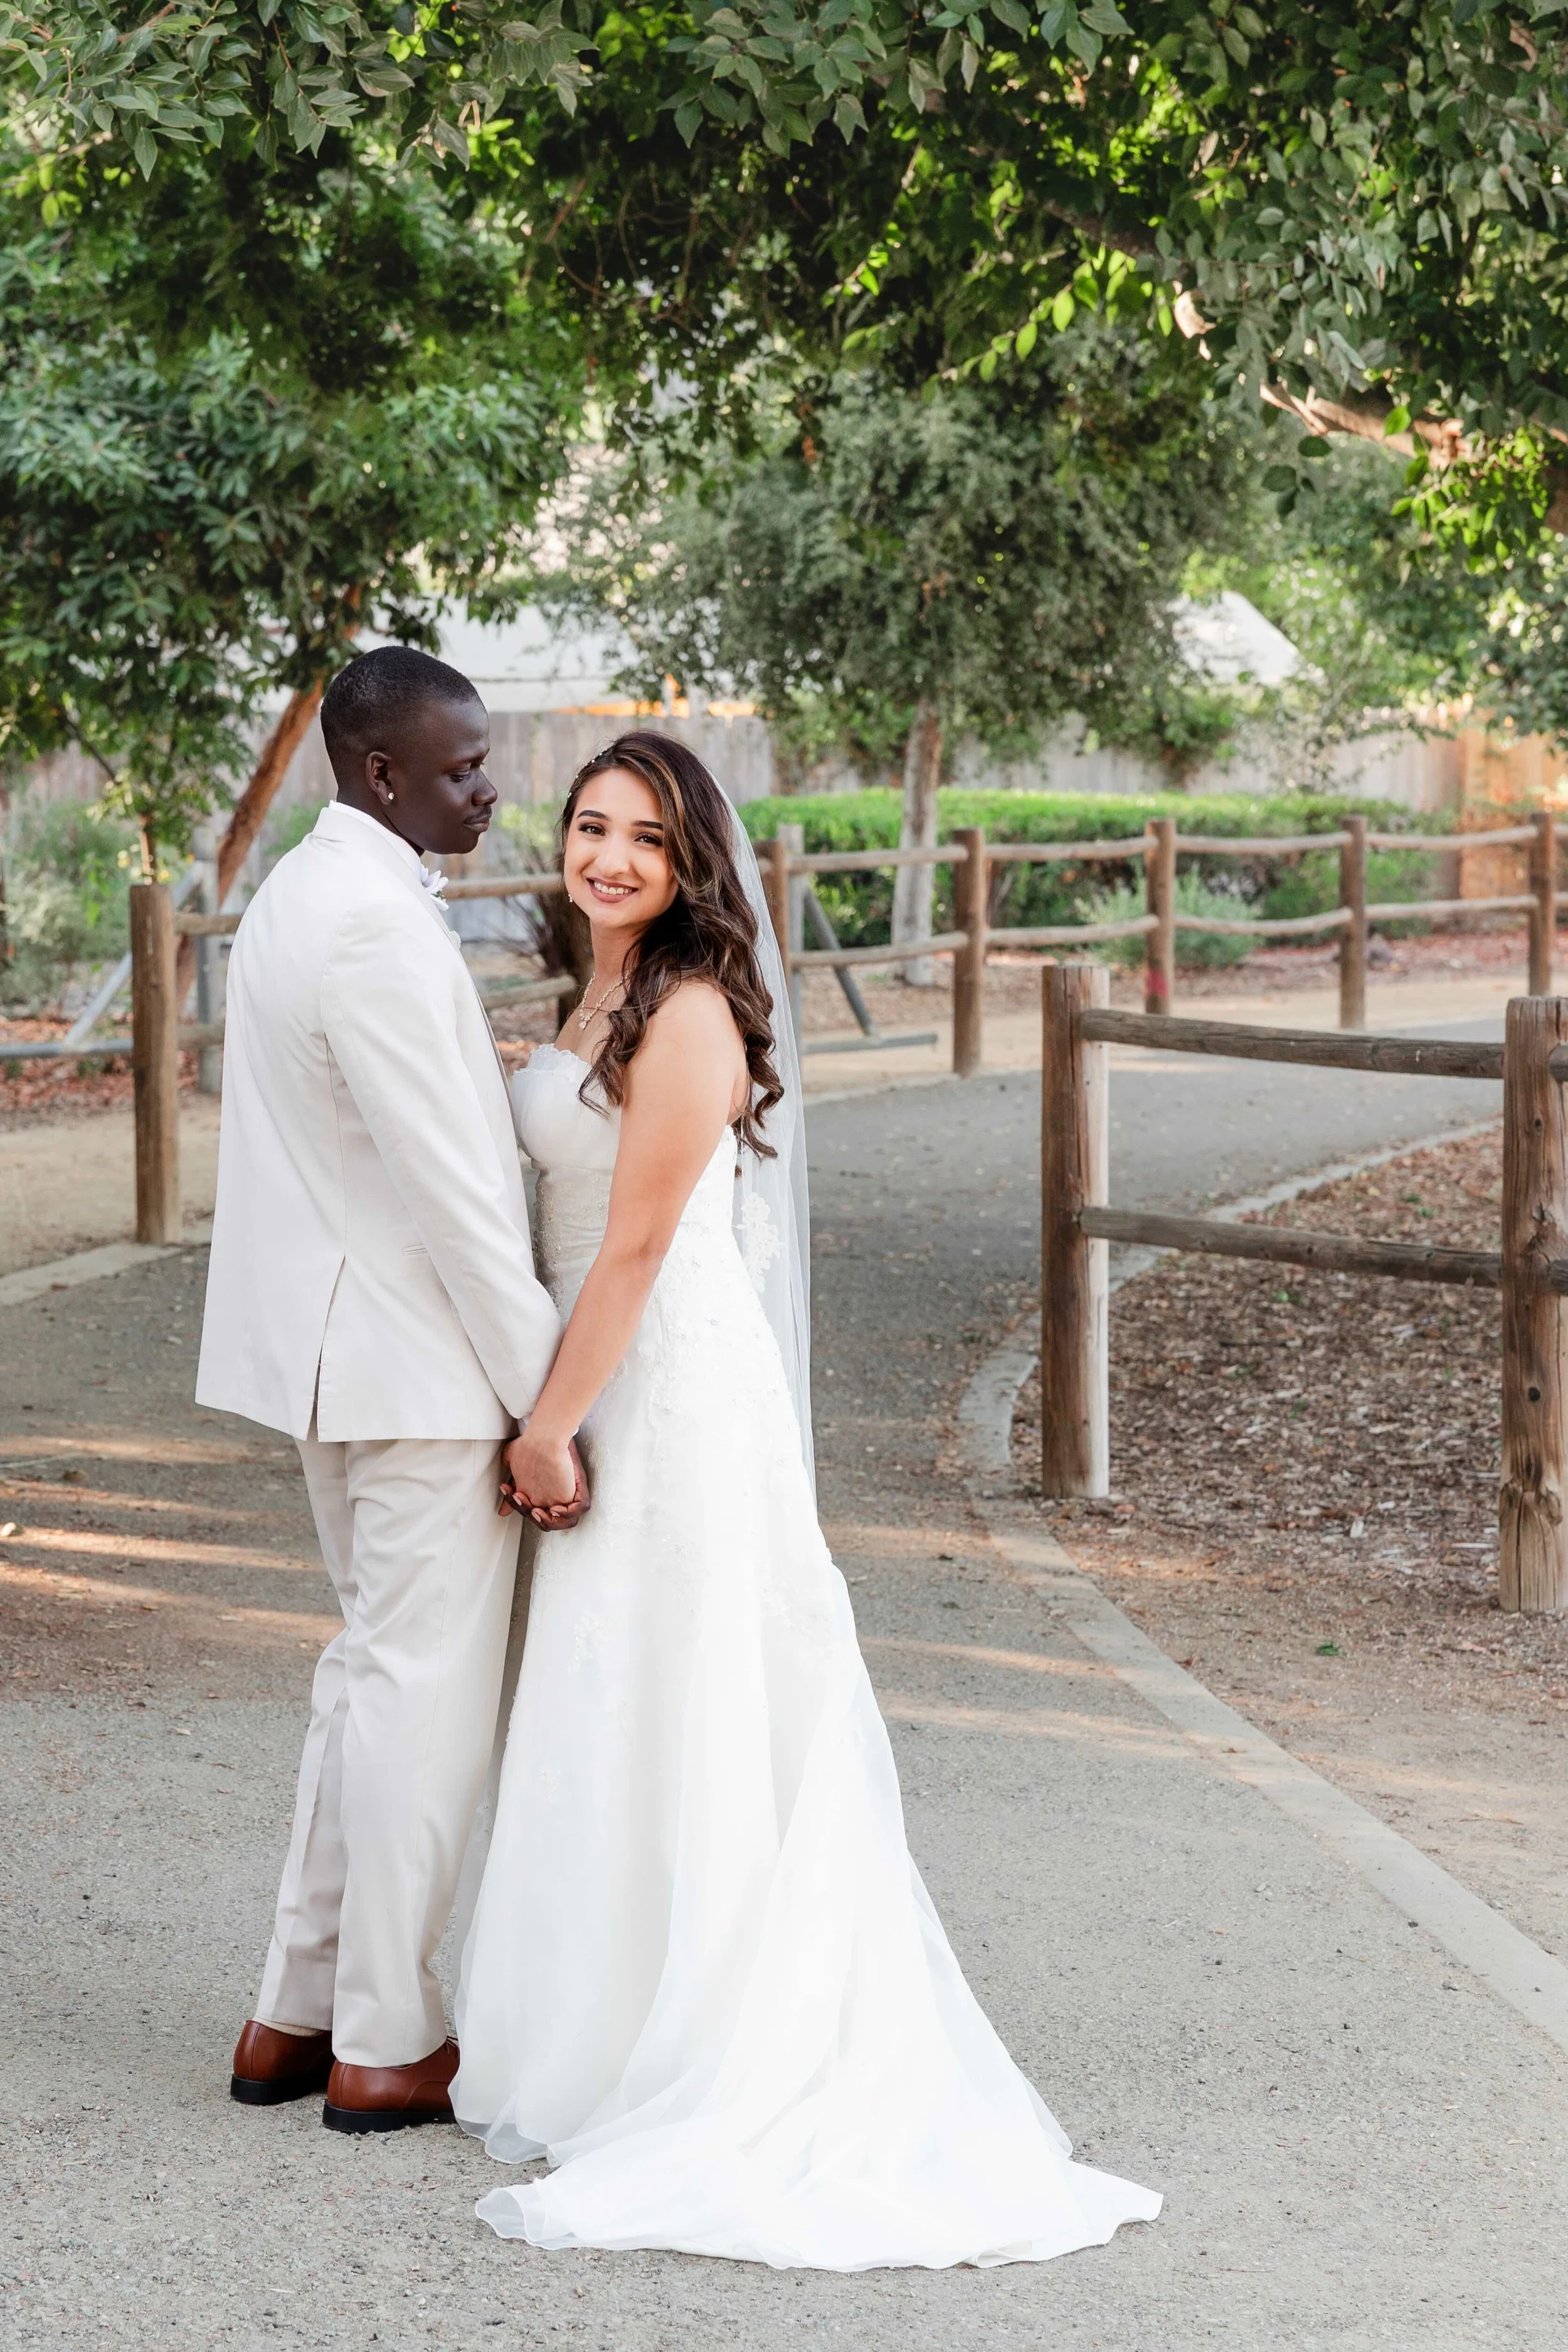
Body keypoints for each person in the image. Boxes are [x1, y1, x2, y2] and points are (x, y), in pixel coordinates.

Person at [452, 731, 1162, 2269]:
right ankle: (605, 2030)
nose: (610, 857)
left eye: (645, 836)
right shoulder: (590, 994)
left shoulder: (692, 1009)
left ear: (693, 858)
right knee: (613, 1698)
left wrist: (546, 1430)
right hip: (600, 1366)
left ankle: (706, 2047)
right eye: (589, 827)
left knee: (694, 1699)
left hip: (664, 1389)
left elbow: (634, 1246)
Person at [197, 647, 582, 2133]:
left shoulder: (303, 894)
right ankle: (386, 2038)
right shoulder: (373, 927)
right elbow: (459, 1200)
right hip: (416, 1372)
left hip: (337, 1364)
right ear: (379, 776)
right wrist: (544, 1407)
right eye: (464, 767)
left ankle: (291, 2016)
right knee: (420, 1702)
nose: (490, 789)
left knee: (366, 1683)